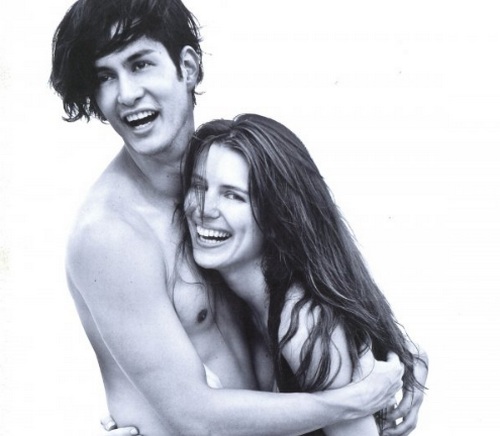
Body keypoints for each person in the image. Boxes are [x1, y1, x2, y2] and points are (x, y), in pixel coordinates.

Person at [49, 1, 427, 435]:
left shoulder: (227, 171)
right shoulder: (111, 234)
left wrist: (400, 358)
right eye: (105, 76)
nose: (126, 94)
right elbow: (194, 416)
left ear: (187, 67)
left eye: (140, 64)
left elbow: (323, 267)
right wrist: (351, 402)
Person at [178, 114, 428, 435]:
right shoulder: (233, 298)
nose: (203, 208)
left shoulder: (303, 320)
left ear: (275, 216)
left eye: (233, 195)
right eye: (199, 186)